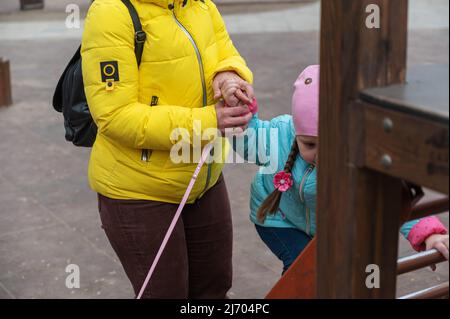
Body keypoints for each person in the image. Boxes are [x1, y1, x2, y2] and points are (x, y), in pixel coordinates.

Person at [81, 0, 254, 298]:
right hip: (138, 190)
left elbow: (225, 52)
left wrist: (229, 76)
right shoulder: (111, 12)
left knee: (214, 288)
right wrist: (209, 121)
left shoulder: (200, 4)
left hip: (203, 177)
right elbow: (115, 116)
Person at [229, 65, 449, 274]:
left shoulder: (361, 155)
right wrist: (240, 119)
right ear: (296, 129)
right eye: (310, 144)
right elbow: (251, 142)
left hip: (327, 229)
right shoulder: (280, 136)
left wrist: (429, 234)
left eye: (331, 144)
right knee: (303, 269)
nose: (321, 155)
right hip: (278, 219)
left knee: (335, 271)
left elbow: (390, 197)